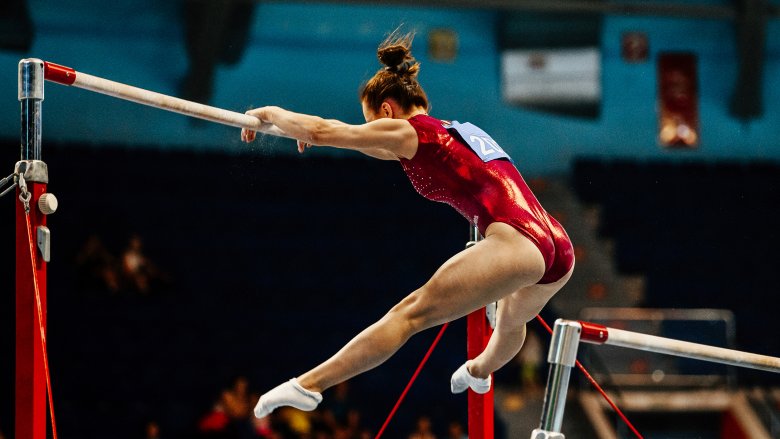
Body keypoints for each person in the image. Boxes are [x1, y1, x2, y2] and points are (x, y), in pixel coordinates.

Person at [240, 31, 574, 418]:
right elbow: (359, 143)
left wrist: (266, 112)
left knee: (410, 314)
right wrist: (310, 133)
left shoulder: (411, 131)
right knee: (510, 322)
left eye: (370, 123)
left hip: (517, 244)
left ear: (386, 111)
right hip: (556, 245)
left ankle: (309, 386)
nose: (371, 131)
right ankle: (479, 371)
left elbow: (324, 129)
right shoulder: (450, 131)